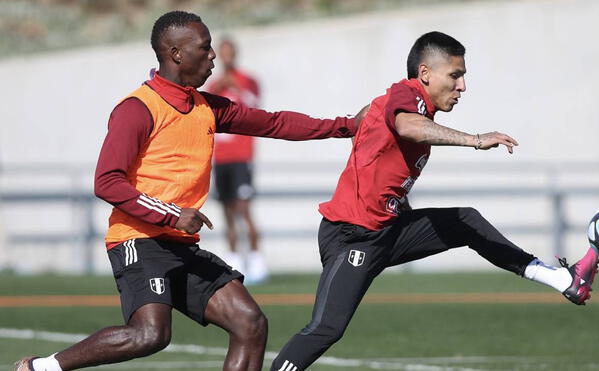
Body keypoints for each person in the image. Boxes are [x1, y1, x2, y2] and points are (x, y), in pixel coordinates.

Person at [15, 10, 362, 371]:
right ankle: (40, 368)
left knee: (249, 322)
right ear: (176, 53)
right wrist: (171, 214)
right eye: (205, 47)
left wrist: (348, 126)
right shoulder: (137, 109)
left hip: (179, 244)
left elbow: (273, 123)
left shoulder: (205, 106)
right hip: (138, 240)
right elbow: (107, 181)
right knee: (150, 335)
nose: (213, 55)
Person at [270, 31, 599, 371]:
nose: (462, 86)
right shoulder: (405, 94)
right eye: (455, 75)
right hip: (352, 236)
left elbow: (387, 158)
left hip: (386, 231)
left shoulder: (413, 108)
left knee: (465, 221)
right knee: (326, 329)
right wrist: (475, 140)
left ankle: (562, 280)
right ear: (426, 74)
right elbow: (408, 126)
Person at [204, 37, 266, 284]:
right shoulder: (213, 85)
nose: (226, 57)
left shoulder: (247, 80)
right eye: (223, 53)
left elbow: (256, 108)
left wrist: (237, 89)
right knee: (227, 210)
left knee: (244, 208)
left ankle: (256, 259)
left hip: (241, 157)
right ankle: (234, 260)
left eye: (230, 52)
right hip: (222, 158)